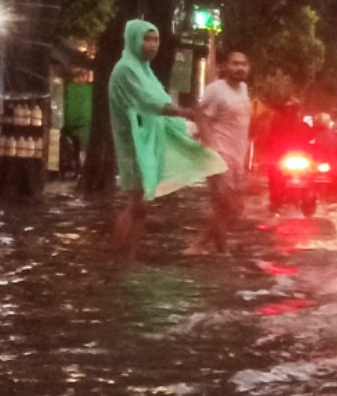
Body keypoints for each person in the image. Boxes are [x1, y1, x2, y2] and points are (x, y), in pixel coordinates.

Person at [106, 18, 227, 255]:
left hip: (144, 139)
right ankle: (118, 259)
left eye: (156, 39)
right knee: (136, 204)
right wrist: (188, 114)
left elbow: (158, 102)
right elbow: (152, 103)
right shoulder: (127, 69)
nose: (152, 45)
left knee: (140, 205)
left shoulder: (143, 70)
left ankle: (126, 258)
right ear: (133, 39)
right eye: (147, 39)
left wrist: (186, 128)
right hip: (134, 141)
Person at [192, 48, 255, 252]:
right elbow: (200, 115)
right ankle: (222, 253)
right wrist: (210, 147)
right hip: (220, 156)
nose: (239, 68)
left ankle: (199, 244)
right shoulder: (215, 89)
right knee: (223, 205)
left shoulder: (244, 89)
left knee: (237, 209)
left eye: (243, 64)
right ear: (225, 67)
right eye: (235, 63)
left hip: (239, 157)